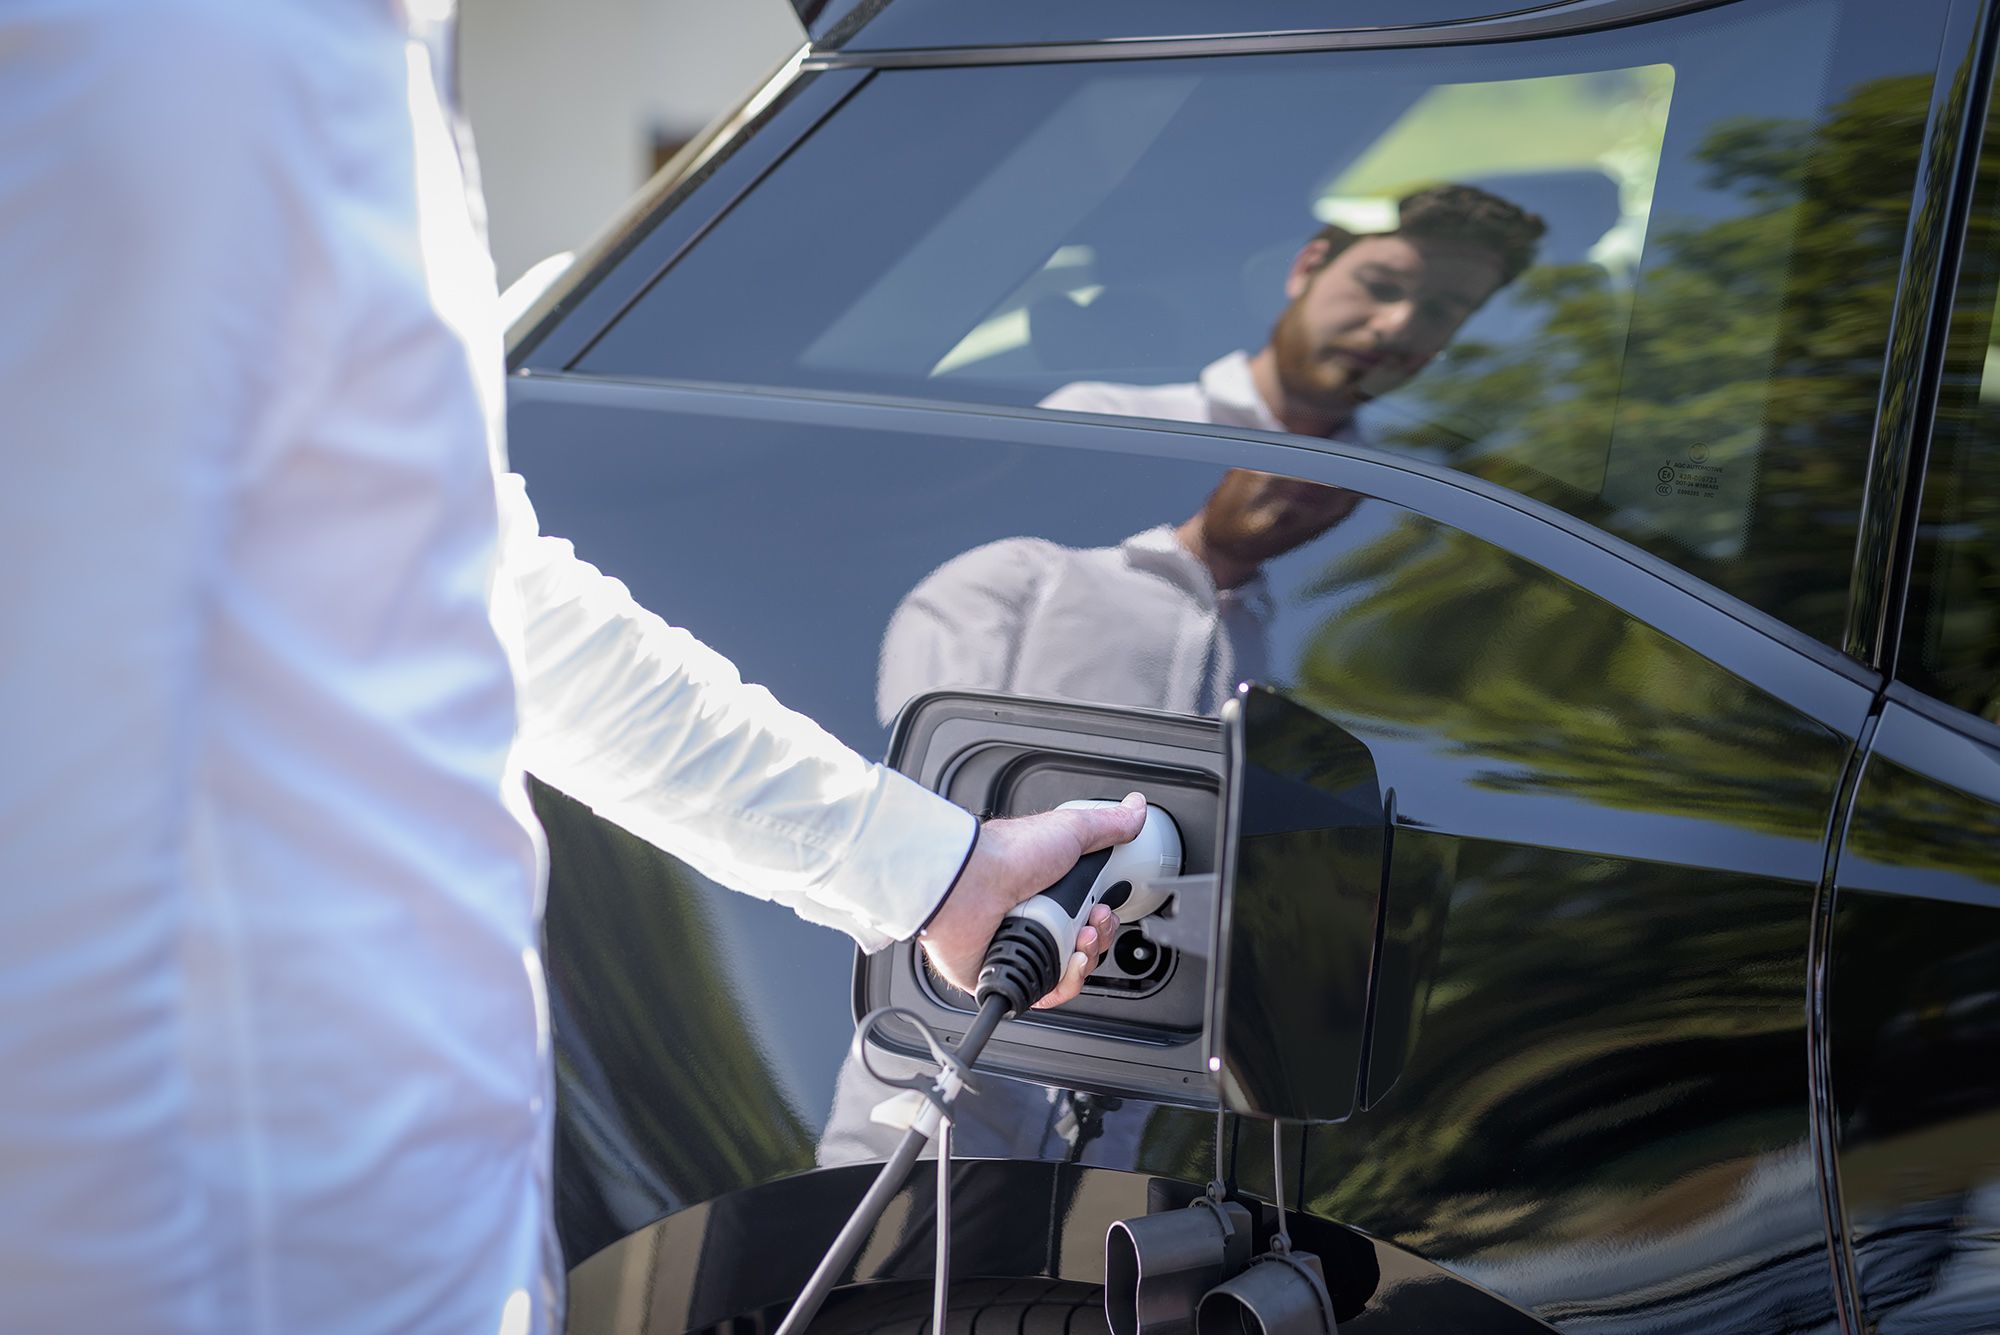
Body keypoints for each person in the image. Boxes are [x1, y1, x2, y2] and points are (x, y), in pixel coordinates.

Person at [0, 5, 1130, 1332]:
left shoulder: (350, 53)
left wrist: (924, 868)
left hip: (441, 1243)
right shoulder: (144, 51)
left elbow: (486, 590)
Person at [876, 184, 1546, 725]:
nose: (1398, 325)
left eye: (1441, 311)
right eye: (1381, 285)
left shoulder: (1399, 518)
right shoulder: (1103, 423)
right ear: (1307, 267)